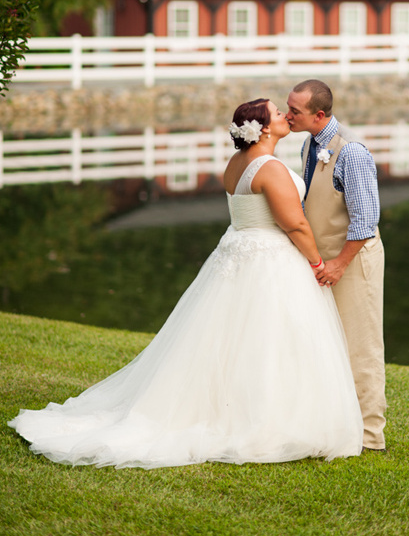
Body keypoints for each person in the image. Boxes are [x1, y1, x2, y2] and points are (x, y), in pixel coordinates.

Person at [8, 98, 362, 468]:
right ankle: (269, 420)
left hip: (236, 251)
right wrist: (318, 262)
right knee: (272, 338)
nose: (285, 116)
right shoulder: (270, 168)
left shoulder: (235, 163)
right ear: (264, 128)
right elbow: (295, 224)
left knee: (231, 339)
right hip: (268, 258)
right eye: (277, 113)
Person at [286, 80, 387, 452]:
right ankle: (335, 424)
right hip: (325, 262)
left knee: (362, 348)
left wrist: (340, 264)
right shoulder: (309, 144)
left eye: (294, 111)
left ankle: (371, 436)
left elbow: (366, 218)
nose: (287, 115)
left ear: (319, 114)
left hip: (353, 261)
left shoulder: (352, 152)